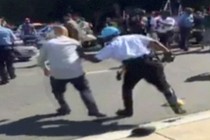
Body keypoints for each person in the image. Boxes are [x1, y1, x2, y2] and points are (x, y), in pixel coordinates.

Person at [81, 26, 186, 117]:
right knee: (164, 86)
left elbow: (96, 59)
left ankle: (128, 111)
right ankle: (177, 107)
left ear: (107, 37)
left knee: (127, 88)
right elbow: (153, 43)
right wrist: (167, 52)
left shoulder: (111, 46)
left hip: (133, 68)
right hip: (150, 64)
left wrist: (82, 55)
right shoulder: (134, 36)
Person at [37, 25, 106, 117]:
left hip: (57, 72)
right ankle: (93, 110)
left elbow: (40, 60)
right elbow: (81, 55)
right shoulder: (74, 42)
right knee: (84, 90)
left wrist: (45, 68)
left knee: (57, 91)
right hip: (75, 70)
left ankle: (64, 107)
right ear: (66, 33)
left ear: (53, 33)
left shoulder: (48, 44)